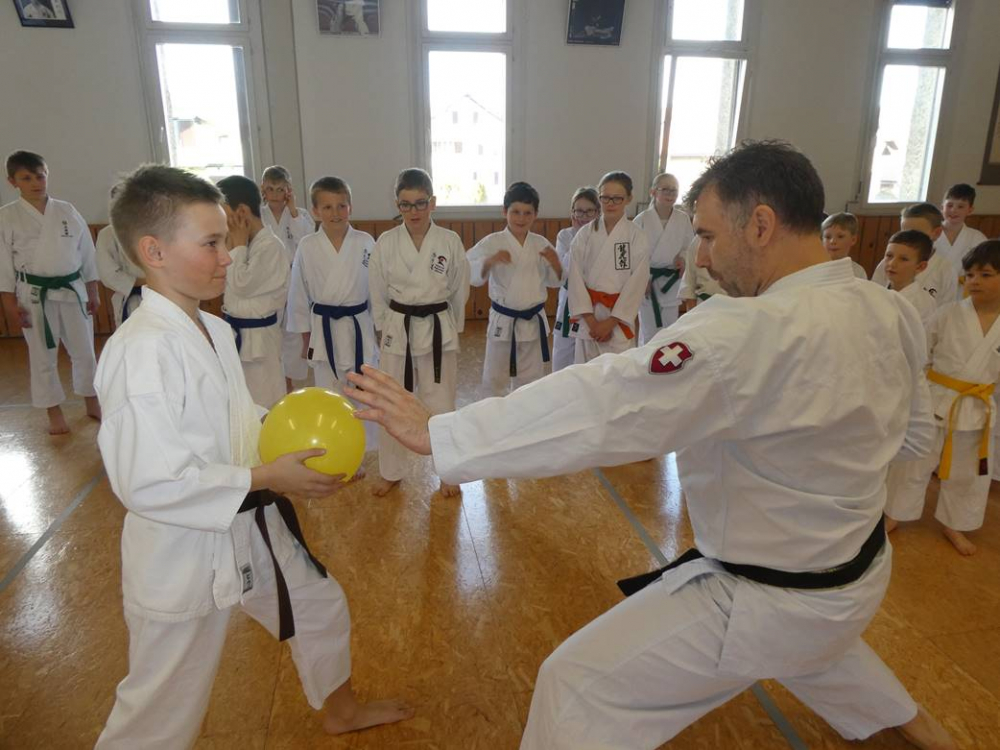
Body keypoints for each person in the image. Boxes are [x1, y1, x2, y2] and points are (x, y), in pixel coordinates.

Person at [346, 141, 954, 750]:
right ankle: (913, 721)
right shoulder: (888, 309)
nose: (702, 256)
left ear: (761, 225)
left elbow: (603, 403)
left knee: (573, 687)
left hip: (767, 596)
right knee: (819, 643)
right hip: (860, 572)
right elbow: (915, 439)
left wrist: (443, 432)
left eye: (708, 236)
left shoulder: (743, 330)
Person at [92, 164, 412, 749]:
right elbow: (149, 483)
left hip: (249, 525)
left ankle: (339, 710)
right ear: (154, 251)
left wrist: (303, 447)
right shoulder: (140, 353)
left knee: (318, 606)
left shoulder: (211, 329)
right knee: (160, 713)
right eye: (212, 244)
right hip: (184, 555)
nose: (227, 257)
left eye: (225, 240)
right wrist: (268, 475)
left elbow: (240, 418)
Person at [885, 240, 1000, 556]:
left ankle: (955, 523)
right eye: (970, 274)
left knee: (969, 471)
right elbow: (920, 355)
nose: (975, 281)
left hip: (978, 408)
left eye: (986, 275)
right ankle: (894, 513)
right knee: (912, 462)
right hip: (935, 400)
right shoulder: (947, 314)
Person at [367, 167, 469, 497]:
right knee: (391, 401)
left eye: (420, 203)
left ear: (432, 203)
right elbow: (376, 290)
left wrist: (453, 327)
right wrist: (382, 326)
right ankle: (391, 471)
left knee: (442, 402)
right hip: (399, 327)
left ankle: (448, 472)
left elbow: (459, 289)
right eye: (406, 204)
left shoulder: (449, 241)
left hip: (438, 327)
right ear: (397, 204)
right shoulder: (386, 242)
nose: (413, 211)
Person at [0, 149, 101, 434]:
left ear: (47, 175)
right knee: (43, 355)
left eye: (40, 176)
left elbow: (86, 253)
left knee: (84, 350)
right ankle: (53, 411)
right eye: (26, 178)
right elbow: (3, 263)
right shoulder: (7, 216)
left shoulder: (67, 210)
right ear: (12, 181)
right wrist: (9, 302)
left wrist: (92, 289)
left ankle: (92, 401)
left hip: (72, 289)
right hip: (34, 294)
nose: (36, 182)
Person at [285, 176, 379, 450]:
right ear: (315, 211)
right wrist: (305, 339)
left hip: (359, 327)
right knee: (328, 392)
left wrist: (380, 329)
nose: (335, 213)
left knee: (363, 390)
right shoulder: (307, 245)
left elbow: (376, 289)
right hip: (323, 329)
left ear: (351, 207)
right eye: (327, 207)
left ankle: (361, 448)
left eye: (341, 206)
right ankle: (335, 448)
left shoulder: (365, 242)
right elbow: (298, 295)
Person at [467, 181, 561, 396]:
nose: (521, 218)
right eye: (515, 212)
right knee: (494, 378)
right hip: (503, 320)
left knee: (531, 380)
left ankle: (527, 415)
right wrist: (488, 262)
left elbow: (555, 281)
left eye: (528, 213)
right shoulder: (492, 242)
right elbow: (469, 269)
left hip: (532, 320)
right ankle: (493, 415)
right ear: (505, 212)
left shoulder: (541, 244)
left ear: (535, 215)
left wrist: (556, 264)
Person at [218, 174, 290, 409]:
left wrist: (237, 245)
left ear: (242, 212)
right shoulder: (243, 244)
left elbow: (242, 284)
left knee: (264, 402)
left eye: (224, 214)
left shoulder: (271, 247)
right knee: (241, 404)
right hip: (238, 334)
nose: (223, 223)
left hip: (260, 341)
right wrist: (236, 244)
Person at [567, 171, 650, 363]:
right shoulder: (584, 235)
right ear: (599, 197)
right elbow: (575, 279)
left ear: (628, 198)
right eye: (605, 198)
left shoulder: (636, 236)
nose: (610, 203)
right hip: (589, 319)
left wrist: (611, 322)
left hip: (617, 321)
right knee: (586, 374)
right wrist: (591, 321)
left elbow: (637, 284)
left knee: (617, 374)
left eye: (617, 198)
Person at [260, 165, 315, 390]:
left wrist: (292, 211)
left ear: (289, 190)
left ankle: (291, 381)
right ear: (263, 189)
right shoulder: (259, 215)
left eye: (280, 189)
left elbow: (307, 241)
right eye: (270, 189)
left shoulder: (300, 215)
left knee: (293, 331)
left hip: (293, 277)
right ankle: (275, 379)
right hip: (268, 278)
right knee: (271, 329)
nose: (275, 195)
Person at [634, 173, 694, 344]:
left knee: (670, 329)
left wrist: (682, 258)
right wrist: (641, 278)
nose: (670, 194)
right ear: (653, 192)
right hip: (648, 281)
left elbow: (689, 246)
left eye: (674, 190)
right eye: (665, 189)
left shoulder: (682, 219)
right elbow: (635, 253)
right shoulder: (642, 219)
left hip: (671, 280)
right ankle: (645, 360)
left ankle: (666, 359)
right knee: (648, 330)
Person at [551, 187, 599, 372]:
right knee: (562, 354)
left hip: (595, 302)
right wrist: (580, 237)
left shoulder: (603, 237)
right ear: (572, 212)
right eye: (579, 211)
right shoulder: (565, 236)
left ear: (598, 212)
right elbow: (564, 270)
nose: (583, 216)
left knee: (587, 356)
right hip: (568, 302)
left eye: (589, 211)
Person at [872, 204, 957, 305]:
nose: (909, 238)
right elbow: (872, 295)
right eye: (904, 232)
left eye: (917, 233)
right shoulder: (887, 264)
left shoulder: (945, 270)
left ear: (937, 233)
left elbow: (946, 308)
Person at [96, 184, 145, 329]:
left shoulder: (156, 229)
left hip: (162, 296)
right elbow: (108, 274)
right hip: (131, 299)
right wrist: (148, 282)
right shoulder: (107, 234)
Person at [937, 183, 988, 286]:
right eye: (949, 205)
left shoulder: (977, 238)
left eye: (960, 206)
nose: (953, 210)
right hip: (929, 288)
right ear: (942, 208)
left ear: (970, 210)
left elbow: (985, 267)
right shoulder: (929, 233)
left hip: (962, 289)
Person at [882, 229, 936, 327]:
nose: (892, 263)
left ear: (920, 266)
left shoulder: (923, 303)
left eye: (903, 259)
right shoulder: (876, 292)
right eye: (889, 256)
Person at [821, 212, 868, 279]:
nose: (832, 241)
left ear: (853, 239)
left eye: (840, 236)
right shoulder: (815, 268)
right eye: (828, 237)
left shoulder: (858, 271)